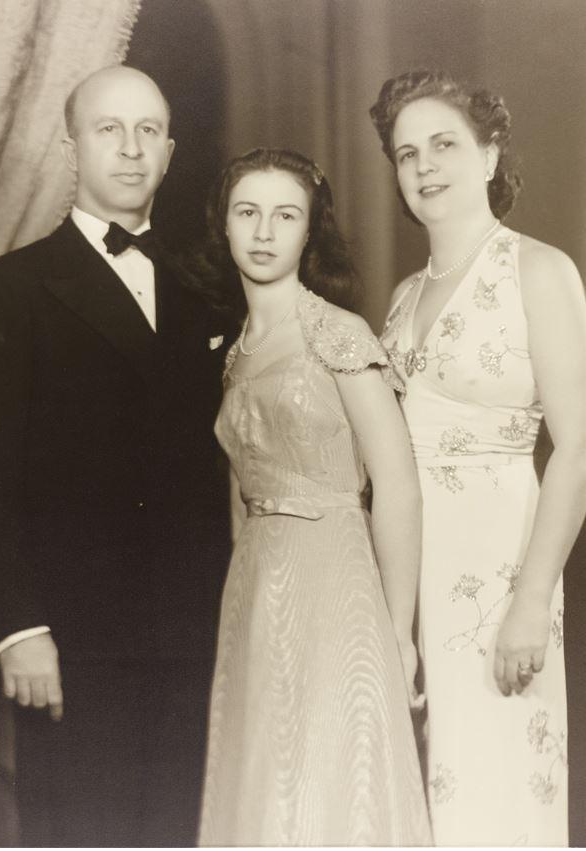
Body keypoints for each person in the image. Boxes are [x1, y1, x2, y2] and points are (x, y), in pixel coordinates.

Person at [0, 65, 230, 846]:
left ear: (171, 152)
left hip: (189, 637)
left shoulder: (203, 294)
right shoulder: (5, 290)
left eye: (149, 131)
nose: (131, 148)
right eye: (108, 128)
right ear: (71, 145)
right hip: (70, 640)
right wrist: (19, 628)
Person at [371, 69, 586, 846]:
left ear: (489, 157)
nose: (423, 166)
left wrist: (531, 597)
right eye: (405, 154)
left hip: (500, 569)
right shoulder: (399, 298)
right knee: (420, 794)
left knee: (496, 792)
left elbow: (579, 449)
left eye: (443, 145)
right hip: (406, 573)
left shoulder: (538, 270)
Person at [194, 147, 432, 846]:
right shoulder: (233, 351)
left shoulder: (337, 331)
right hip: (254, 588)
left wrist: (397, 630)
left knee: (337, 773)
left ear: (309, 232)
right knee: (264, 778)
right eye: (247, 213)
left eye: (285, 215)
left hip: (334, 575)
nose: (264, 232)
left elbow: (396, 482)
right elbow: (242, 493)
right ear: (225, 227)